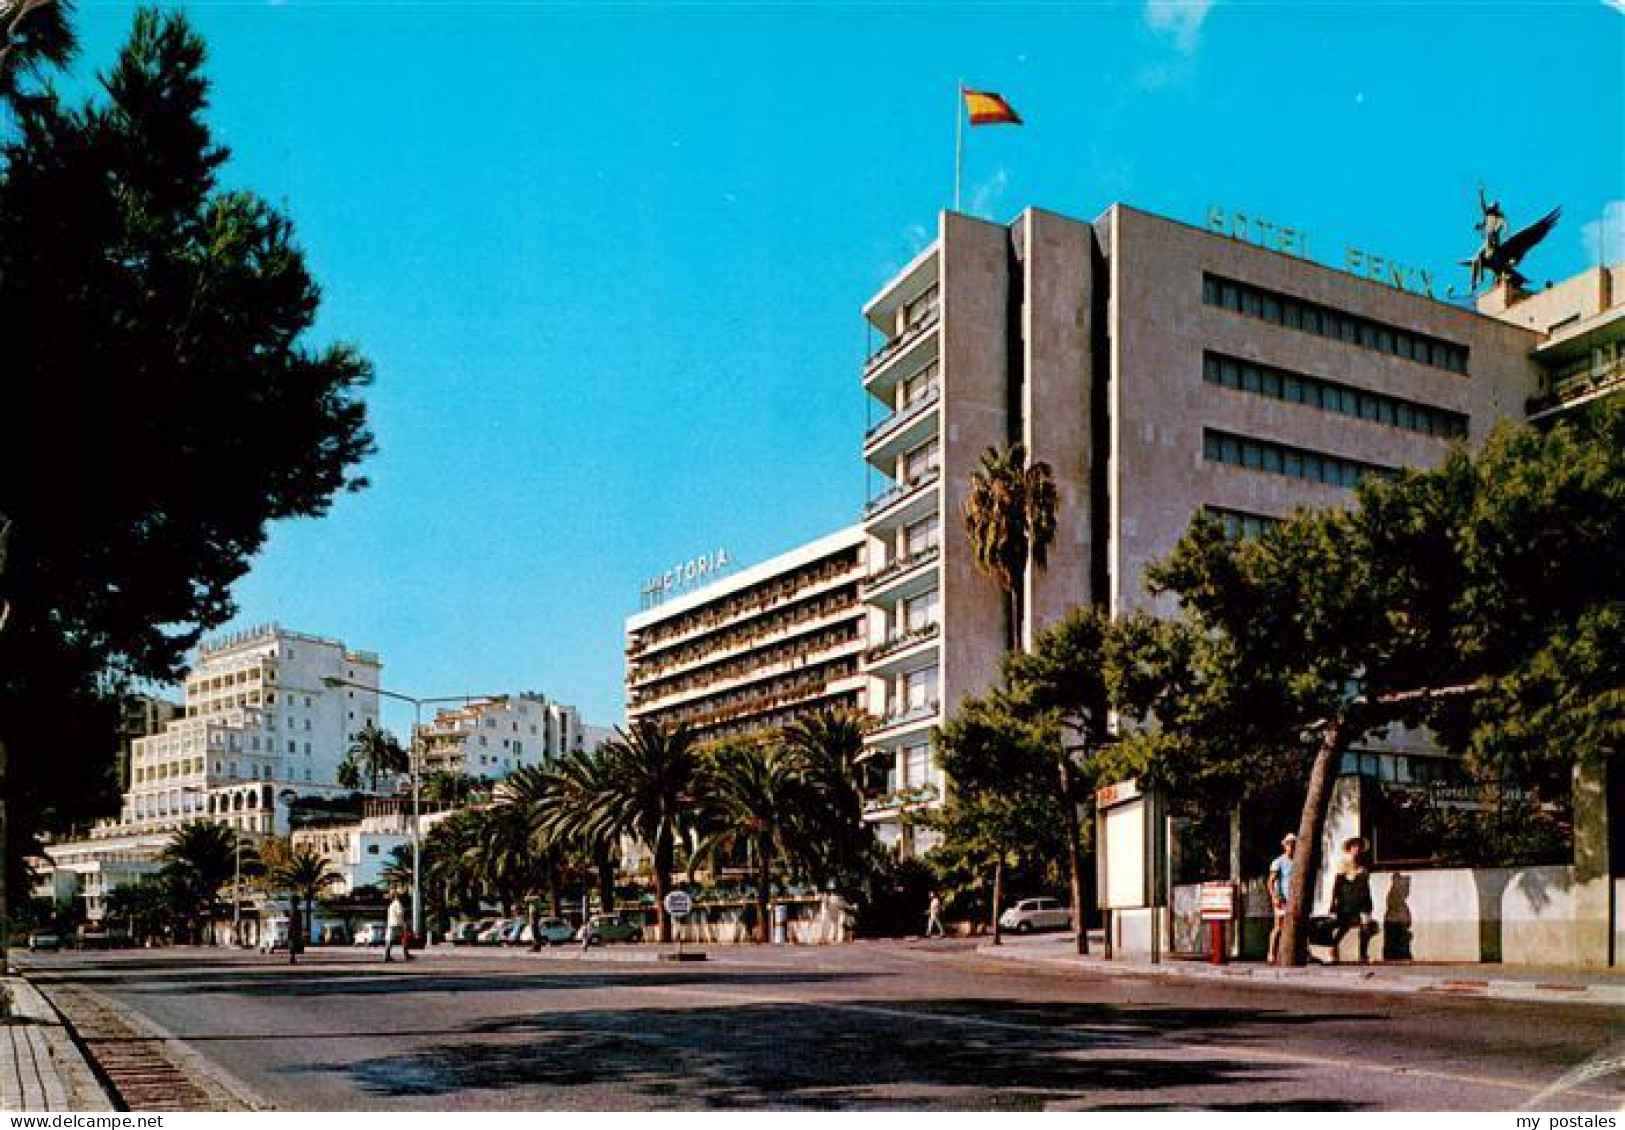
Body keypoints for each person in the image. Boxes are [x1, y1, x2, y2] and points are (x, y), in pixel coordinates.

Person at [1329, 837, 1374, 965]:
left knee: (1366, 927)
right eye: (1354, 847)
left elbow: (1366, 886)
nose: (1357, 849)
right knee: (1344, 926)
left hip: (1363, 901)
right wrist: (1333, 902)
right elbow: (1337, 884)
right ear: (1349, 849)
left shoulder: (1364, 866)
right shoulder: (1343, 864)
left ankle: (1363, 955)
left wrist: (1370, 902)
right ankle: (1333, 948)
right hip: (1348, 900)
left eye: (1359, 846)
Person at [1267, 832, 1297, 965]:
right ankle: (1271, 953)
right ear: (1285, 846)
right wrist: (1274, 896)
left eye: (1293, 844)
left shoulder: (1298, 861)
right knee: (1278, 926)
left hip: (1294, 898)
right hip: (1282, 898)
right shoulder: (1278, 862)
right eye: (1289, 844)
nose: (1291, 846)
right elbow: (1270, 881)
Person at [383, 892, 410, 963]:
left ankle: (387, 956)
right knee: (401, 939)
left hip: (396, 924)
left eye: (389, 896)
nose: (388, 897)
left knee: (391, 939)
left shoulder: (396, 903)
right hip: (395, 924)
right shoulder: (395, 904)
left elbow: (400, 912)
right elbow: (401, 913)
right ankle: (405, 955)